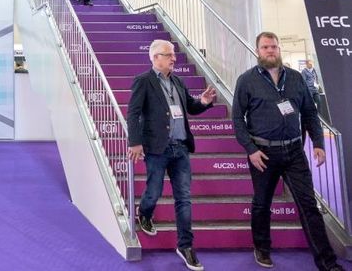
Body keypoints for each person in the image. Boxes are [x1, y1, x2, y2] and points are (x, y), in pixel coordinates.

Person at [232, 32, 341, 271]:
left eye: (273, 46)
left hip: (294, 152)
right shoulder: (246, 80)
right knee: (262, 203)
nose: (270, 50)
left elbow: (310, 113)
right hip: (263, 154)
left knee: (309, 206)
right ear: (258, 51)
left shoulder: (295, 78)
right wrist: (250, 149)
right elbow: (237, 119)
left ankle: (328, 263)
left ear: (279, 49)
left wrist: (318, 143)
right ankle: (262, 248)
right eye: (265, 47)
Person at [127, 39, 217, 271]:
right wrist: (135, 142)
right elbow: (133, 113)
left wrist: (203, 102)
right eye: (169, 55)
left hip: (181, 148)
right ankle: (144, 212)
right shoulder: (143, 81)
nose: (174, 58)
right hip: (157, 148)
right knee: (154, 191)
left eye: (174, 54)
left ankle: (185, 246)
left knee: (184, 198)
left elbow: (190, 108)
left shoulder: (178, 81)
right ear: (156, 57)